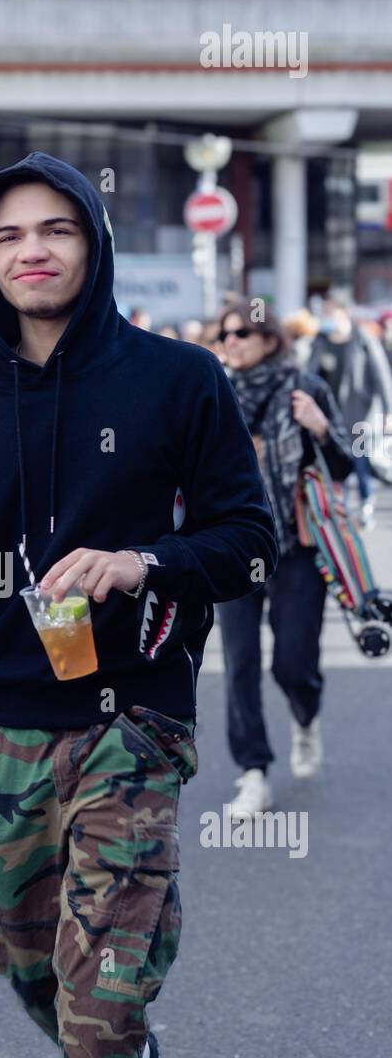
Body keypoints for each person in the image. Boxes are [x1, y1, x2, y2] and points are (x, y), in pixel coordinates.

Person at [0, 152, 276, 1058]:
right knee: (33, 973)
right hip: (2, 736)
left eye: (56, 229)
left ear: (93, 244)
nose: (32, 249)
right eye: (9, 234)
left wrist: (140, 563)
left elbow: (246, 542)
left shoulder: (176, 381)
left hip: (133, 727)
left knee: (102, 987)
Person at [215, 299, 352, 816]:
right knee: (240, 664)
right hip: (232, 545)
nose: (231, 342)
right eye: (225, 335)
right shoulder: (217, 392)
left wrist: (318, 426)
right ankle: (253, 771)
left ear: (270, 339)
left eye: (241, 334)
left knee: (293, 662)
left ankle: (305, 712)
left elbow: (342, 465)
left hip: (295, 544)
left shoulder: (304, 389)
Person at [307, 292, 392, 526]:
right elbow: (309, 374)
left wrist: (388, 411)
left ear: (343, 312)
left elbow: (381, 376)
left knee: (361, 461)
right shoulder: (321, 340)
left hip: (361, 416)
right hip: (331, 415)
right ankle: (341, 507)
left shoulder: (362, 338)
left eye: (331, 310)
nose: (327, 315)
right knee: (337, 462)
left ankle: (366, 504)